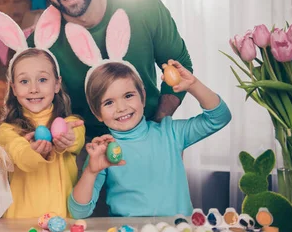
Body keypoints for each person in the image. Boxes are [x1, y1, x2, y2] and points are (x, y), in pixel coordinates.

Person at [64, 12, 231, 217]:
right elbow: (78, 211)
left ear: (142, 97)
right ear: (97, 113)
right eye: (108, 102)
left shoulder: (170, 133)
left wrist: (193, 85)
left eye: (128, 95)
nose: (121, 107)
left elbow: (219, 117)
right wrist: (91, 172)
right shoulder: (104, 150)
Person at [28, 0, 193, 139]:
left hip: (150, 133)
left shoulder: (145, 7)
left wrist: (156, 128)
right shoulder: (38, 44)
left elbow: (180, 65)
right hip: (85, 147)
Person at [0, 7, 85, 218]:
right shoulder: (8, 130)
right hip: (21, 226)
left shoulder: (71, 123)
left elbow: (76, 139)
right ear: (14, 89)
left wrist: (68, 139)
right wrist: (34, 151)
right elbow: (19, 154)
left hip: (63, 223)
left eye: (42, 79)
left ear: (57, 84)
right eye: (24, 81)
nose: (33, 88)